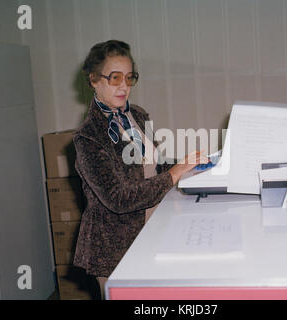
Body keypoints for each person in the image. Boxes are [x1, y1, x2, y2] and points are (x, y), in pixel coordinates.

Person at [73, 40, 207, 299]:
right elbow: (118, 198)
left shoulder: (138, 115)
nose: (124, 86)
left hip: (153, 228)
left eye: (129, 77)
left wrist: (190, 164)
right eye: (114, 78)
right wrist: (175, 174)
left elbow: (152, 167)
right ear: (93, 80)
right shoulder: (88, 137)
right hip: (115, 246)